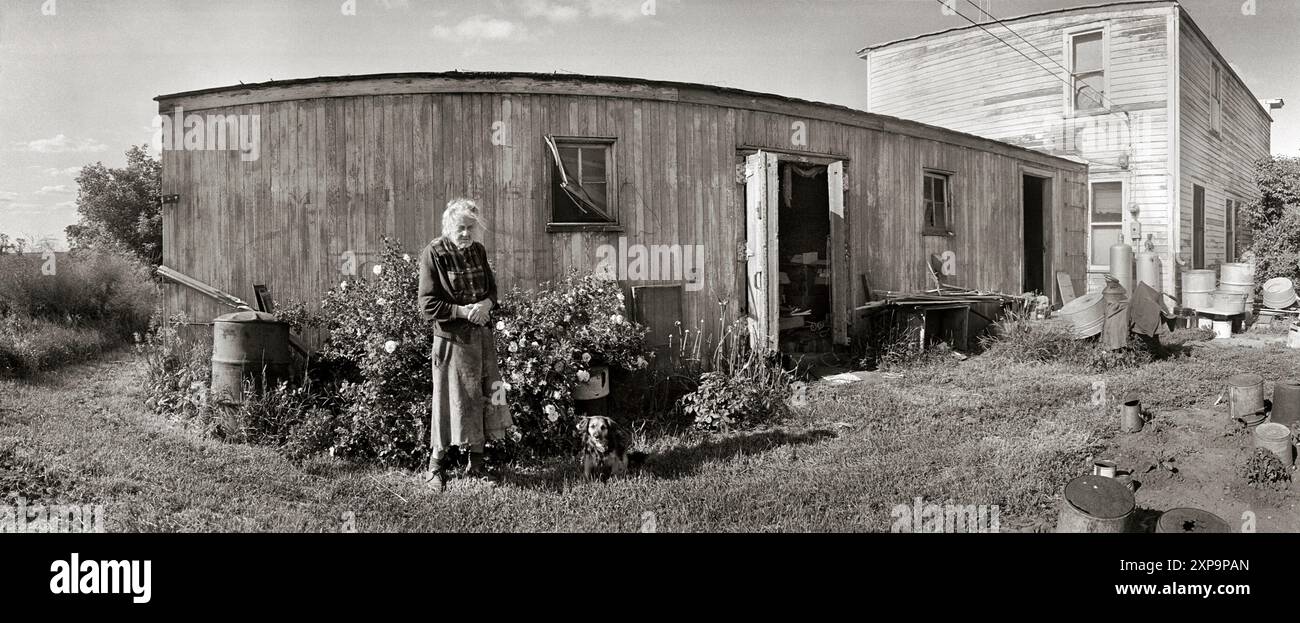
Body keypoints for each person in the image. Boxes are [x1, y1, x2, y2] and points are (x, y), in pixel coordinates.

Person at [417, 198, 513, 489]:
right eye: (460, 228)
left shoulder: (478, 251)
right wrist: (461, 311)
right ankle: (435, 467)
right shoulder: (434, 253)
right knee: (450, 401)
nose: (466, 234)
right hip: (452, 342)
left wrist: (485, 303)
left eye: (471, 228)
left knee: (485, 396)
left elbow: (493, 290)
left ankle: (477, 466)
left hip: (481, 338)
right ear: (449, 226)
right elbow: (427, 304)